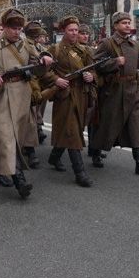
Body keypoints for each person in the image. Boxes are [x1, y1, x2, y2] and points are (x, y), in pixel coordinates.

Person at [0, 8, 53, 198]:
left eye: (19, 28)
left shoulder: (25, 44)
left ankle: (0, 172)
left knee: (15, 137)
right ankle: (20, 181)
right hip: (0, 96)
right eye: (12, 27)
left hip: (22, 95)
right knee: (6, 137)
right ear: (4, 27)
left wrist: (44, 59)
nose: (16, 31)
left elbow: (38, 58)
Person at [88, 12, 139, 176]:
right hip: (114, 91)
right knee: (107, 125)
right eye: (123, 23)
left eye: (129, 22)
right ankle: (95, 153)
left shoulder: (134, 45)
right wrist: (114, 62)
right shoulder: (107, 43)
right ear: (115, 26)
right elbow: (95, 65)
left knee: (136, 126)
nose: (128, 25)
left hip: (132, 90)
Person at [43, 16, 95, 187]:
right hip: (65, 95)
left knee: (73, 128)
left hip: (81, 94)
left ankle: (54, 156)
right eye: (71, 30)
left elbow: (93, 70)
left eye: (76, 30)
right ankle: (80, 173)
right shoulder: (55, 49)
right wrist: (56, 79)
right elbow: (43, 71)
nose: (74, 33)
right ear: (63, 31)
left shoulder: (84, 50)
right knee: (72, 131)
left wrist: (90, 76)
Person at [24, 20, 50, 156]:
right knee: (29, 116)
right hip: (27, 83)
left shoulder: (38, 46)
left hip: (39, 82)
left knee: (36, 112)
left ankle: (37, 131)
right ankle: (28, 148)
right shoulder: (24, 44)